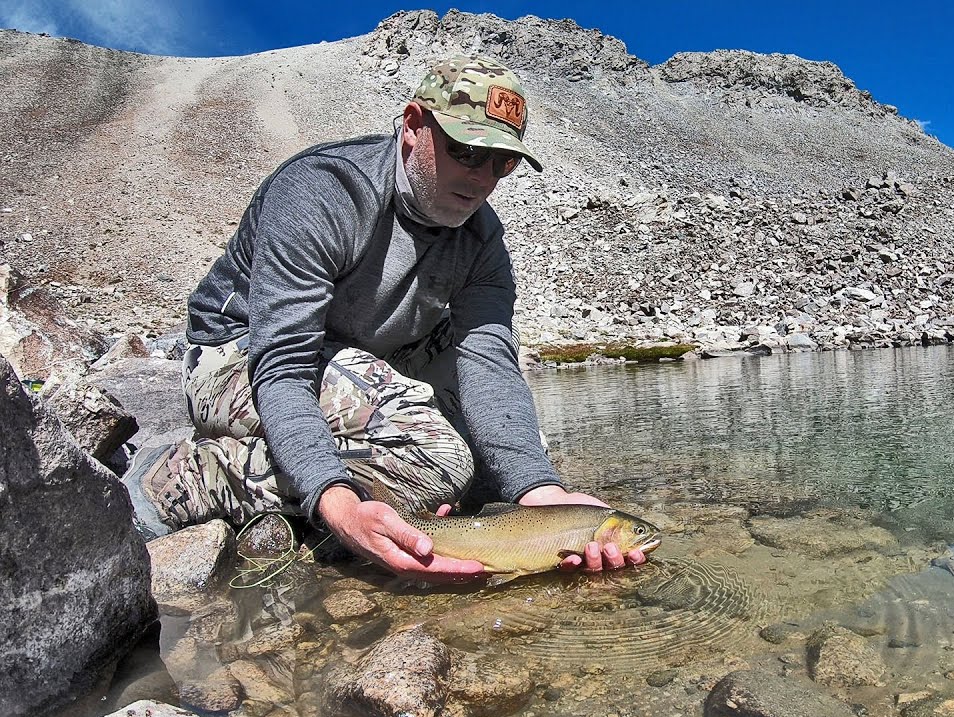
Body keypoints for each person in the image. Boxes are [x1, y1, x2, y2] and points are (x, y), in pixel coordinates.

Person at [125, 53, 647, 583]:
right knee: (438, 462)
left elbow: (488, 364)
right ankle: (186, 480)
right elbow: (283, 362)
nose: (483, 178)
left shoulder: (483, 241)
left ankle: (331, 477)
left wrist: (545, 499)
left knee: (497, 476)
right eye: (468, 151)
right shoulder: (322, 192)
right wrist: (337, 501)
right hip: (241, 356)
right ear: (414, 126)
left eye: (502, 162)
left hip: (369, 357)